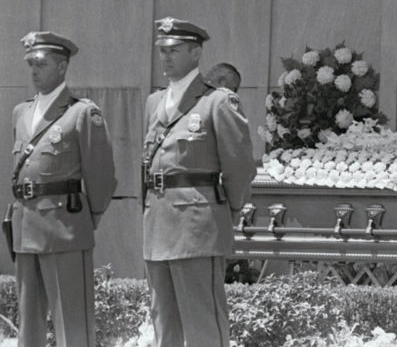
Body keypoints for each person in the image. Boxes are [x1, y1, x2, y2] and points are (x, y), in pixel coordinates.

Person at [142, 17, 256, 346]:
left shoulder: (217, 101)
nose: (165, 57)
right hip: (158, 223)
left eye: (174, 50)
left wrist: (229, 211)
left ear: (195, 54)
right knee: (164, 321)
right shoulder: (154, 102)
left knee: (203, 320)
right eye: (162, 50)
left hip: (197, 224)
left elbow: (239, 166)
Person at [9, 31, 117, 346]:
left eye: (40, 63)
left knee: (72, 321)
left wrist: (88, 216)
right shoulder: (21, 112)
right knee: (28, 323)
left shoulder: (82, 113)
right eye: (30, 63)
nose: (33, 70)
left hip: (64, 226)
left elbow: (102, 174)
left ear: (61, 67)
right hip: (26, 228)